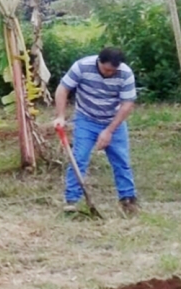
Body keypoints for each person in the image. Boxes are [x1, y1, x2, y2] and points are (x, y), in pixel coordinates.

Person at [53, 47, 139, 215]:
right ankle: (72, 201)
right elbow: (63, 88)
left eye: (113, 70)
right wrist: (60, 116)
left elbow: (127, 105)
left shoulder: (125, 73)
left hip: (114, 120)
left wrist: (109, 131)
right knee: (79, 159)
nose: (109, 73)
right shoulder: (82, 66)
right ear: (98, 61)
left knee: (122, 161)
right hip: (86, 119)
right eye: (106, 69)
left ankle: (128, 200)